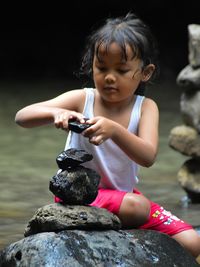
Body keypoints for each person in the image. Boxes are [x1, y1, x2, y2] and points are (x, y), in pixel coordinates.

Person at [15, 12, 200, 258]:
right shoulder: (83, 99)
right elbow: (22, 116)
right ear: (91, 64)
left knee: (192, 242)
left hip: (124, 196)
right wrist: (56, 113)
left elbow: (148, 156)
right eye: (101, 67)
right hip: (78, 197)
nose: (110, 77)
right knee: (138, 206)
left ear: (145, 72)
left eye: (122, 70)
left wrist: (114, 130)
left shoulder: (145, 108)